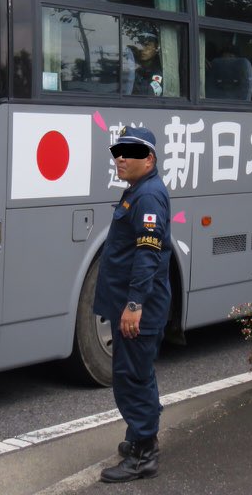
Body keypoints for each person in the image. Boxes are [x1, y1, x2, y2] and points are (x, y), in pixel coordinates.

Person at [94, 125, 172, 483]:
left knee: (132, 377)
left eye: (130, 153)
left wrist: (135, 304)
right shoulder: (137, 192)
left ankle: (144, 455)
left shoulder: (148, 197)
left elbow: (147, 253)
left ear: (149, 159)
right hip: (131, 302)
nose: (121, 158)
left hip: (142, 306)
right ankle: (140, 437)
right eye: (118, 152)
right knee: (138, 372)